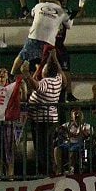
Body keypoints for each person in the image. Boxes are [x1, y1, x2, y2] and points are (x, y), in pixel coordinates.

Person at [21, 48, 64, 176]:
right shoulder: (57, 79)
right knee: (47, 146)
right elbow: (59, 70)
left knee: (42, 148)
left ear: (47, 71)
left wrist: (27, 75)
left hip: (42, 120)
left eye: (43, 68)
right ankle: (47, 170)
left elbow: (37, 86)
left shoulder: (47, 81)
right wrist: (53, 58)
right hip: (48, 120)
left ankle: (45, 172)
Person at [53, 107, 92, 175]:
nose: (77, 116)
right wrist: (62, 130)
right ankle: (59, 169)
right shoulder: (68, 125)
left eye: (78, 114)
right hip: (69, 143)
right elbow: (58, 130)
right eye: (75, 114)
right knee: (57, 149)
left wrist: (79, 126)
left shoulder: (87, 126)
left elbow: (87, 135)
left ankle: (72, 168)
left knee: (73, 149)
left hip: (80, 143)